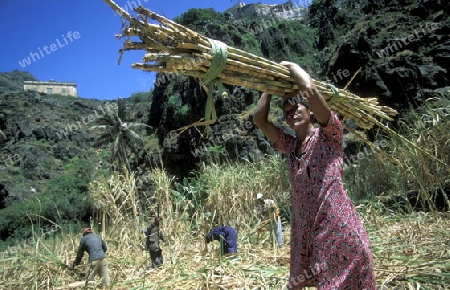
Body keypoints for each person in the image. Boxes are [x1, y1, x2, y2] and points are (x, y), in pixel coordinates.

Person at [253, 61, 376, 289]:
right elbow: (259, 120)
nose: (290, 115)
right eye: (286, 112)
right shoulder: (289, 147)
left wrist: (291, 66)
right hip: (305, 230)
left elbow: (309, 90)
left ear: (309, 110)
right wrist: (268, 86)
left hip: (335, 226)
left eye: (295, 109)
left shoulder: (329, 135)